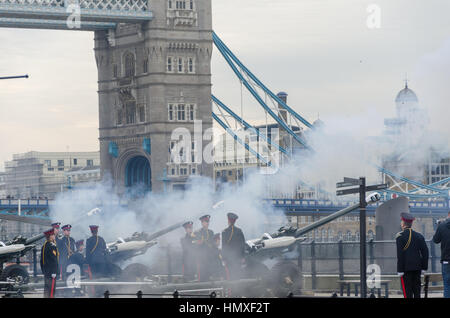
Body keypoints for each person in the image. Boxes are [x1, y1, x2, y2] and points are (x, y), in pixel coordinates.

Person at [396, 212, 429, 298]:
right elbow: (425, 252)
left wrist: (400, 270)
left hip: (406, 269)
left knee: (407, 293)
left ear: (403, 223)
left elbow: (400, 255)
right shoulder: (419, 236)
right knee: (417, 292)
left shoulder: (400, 236)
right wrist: (424, 267)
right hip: (417, 268)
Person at [221, 212, 246, 280]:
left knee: (229, 277)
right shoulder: (239, 231)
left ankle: (231, 290)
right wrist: (243, 257)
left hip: (229, 259)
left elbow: (224, 247)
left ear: (228, 220)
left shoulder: (224, 232)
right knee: (238, 275)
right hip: (238, 258)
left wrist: (223, 259)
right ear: (234, 221)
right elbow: (242, 245)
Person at [432, 211, 450, 298]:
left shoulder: (442, 226)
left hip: (446, 261)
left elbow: (435, 240)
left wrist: (439, 227)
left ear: (448, 214)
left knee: (447, 285)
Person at [194, 214, 215, 281]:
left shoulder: (211, 232)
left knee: (210, 278)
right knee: (201, 278)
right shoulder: (197, 232)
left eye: (208, 221)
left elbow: (213, 244)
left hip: (209, 259)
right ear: (202, 223)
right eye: (206, 221)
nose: (207, 223)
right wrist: (199, 243)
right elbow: (194, 244)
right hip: (201, 259)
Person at [40, 228, 59, 298]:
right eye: (53, 234)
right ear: (50, 236)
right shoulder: (52, 246)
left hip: (46, 272)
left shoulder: (44, 246)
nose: (54, 236)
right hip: (51, 273)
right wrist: (54, 271)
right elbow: (54, 260)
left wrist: (43, 270)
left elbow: (41, 260)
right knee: (51, 290)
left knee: (47, 289)